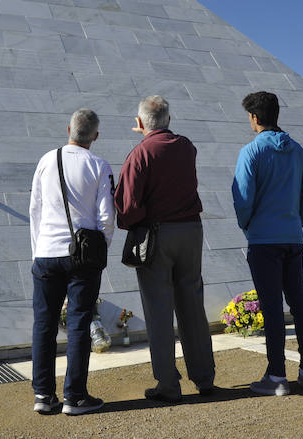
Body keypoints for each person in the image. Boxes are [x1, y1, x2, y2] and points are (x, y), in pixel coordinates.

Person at [114, 95, 216, 402]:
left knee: (159, 310)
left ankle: (168, 385)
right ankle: (204, 376)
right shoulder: (186, 146)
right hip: (192, 231)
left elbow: (128, 209)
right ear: (169, 120)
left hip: (157, 236)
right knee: (192, 304)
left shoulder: (139, 153)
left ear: (140, 123)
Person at [231, 91, 303, 395]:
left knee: (271, 309)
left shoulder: (251, 151)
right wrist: (295, 222)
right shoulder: (298, 151)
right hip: (292, 239)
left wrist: (248, 225)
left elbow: (243, 198)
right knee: (300, 305)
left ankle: (277, 377)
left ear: (255, 118)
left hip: (263, 241)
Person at [29, 108, 115, 415]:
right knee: (79, 322)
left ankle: (43, 394)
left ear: (68, 129)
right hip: (82, 256)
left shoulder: (45, 161)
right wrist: (99, 250)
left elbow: (35, 210)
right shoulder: (99, 165)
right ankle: (75, 396)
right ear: (95, 135)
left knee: (44, 323)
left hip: (46, 252)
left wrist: (37, 250)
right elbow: (106, 218)